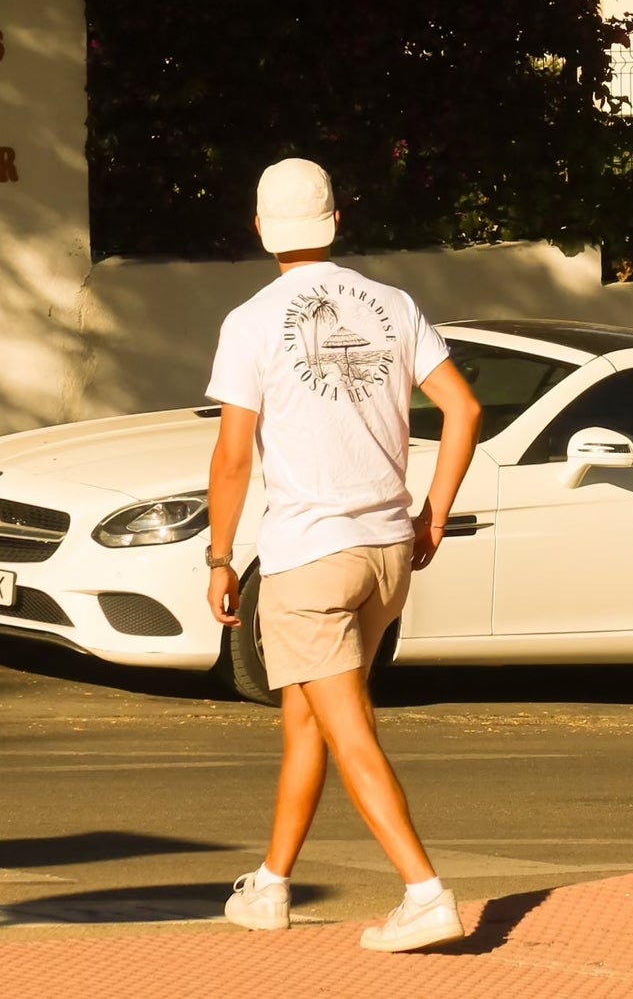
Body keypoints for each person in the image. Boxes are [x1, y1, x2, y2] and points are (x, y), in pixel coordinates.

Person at [203, 157, 482, 953]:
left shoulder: (251, 319)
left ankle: (424, 892)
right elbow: (462, 408)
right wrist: (432, 515)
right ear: (338, 216)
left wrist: (220, 558)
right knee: (308, 718)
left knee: (348, 726)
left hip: (308, 558)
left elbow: (231, 458)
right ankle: (271, 885)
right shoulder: (393, 305)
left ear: (259, 227)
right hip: (386, 553)